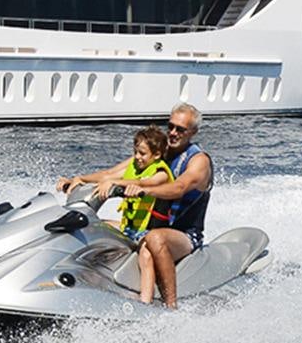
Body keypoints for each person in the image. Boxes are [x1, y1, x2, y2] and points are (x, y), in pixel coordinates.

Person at [96, 103, 213, 309]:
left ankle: (170, 306)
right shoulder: (159, 151)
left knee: (154, 238)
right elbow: (112, 174)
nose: (173, 133)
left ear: (193, 132)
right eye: (171, 126)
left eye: (180, 129)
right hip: (149, 225)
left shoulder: (199, 161)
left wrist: (145, 190)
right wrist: (78, 180)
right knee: (95, 226)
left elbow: (179, 187)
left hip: (184, 234)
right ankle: (96, 285)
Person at [56, 125, 174, 301]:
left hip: (149, 232)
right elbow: (107, 174)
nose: (137, 157)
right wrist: (78, 179)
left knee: (146, 255)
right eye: (135, 152)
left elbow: (146, 183)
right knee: (91, 228)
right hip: (128, 227)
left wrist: (114, 182)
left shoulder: (161, 173)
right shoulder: (135, 164)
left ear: (156, 155)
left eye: (142, 153)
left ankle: (146, 303)